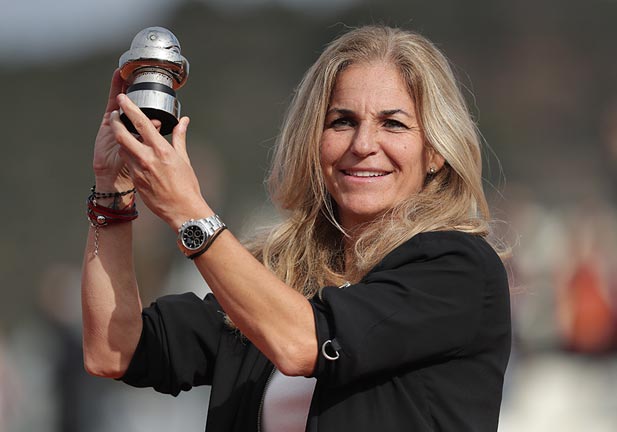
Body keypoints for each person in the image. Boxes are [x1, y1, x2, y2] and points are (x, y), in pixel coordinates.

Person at [81, 25, 511, 431]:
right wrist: (112, 190)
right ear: (313, 140)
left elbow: (303, 343)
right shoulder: (278, 277)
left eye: (393, 123)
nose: (363, 145)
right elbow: (113, 350)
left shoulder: (458, 270)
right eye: (342, 121)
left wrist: (189, 212)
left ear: (435, 151)